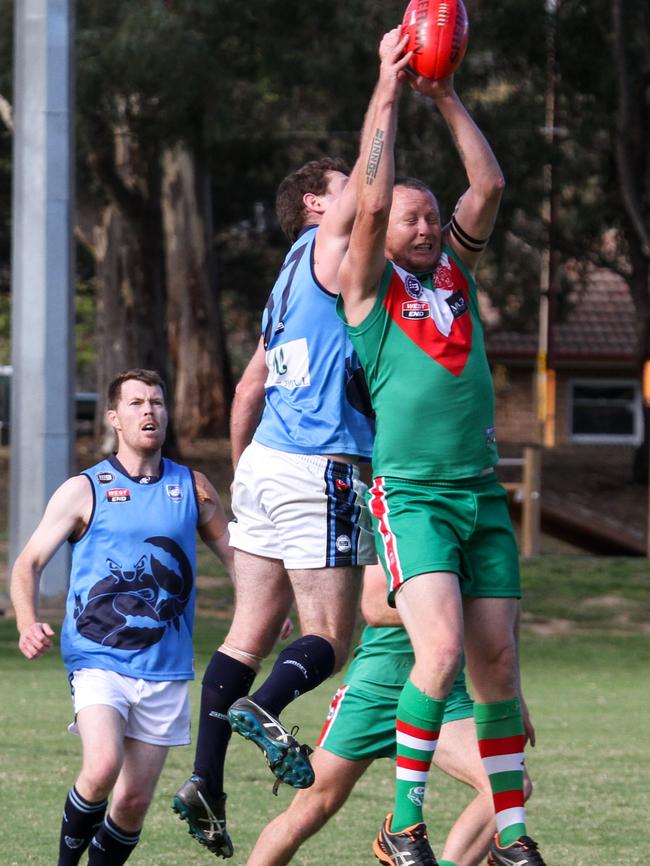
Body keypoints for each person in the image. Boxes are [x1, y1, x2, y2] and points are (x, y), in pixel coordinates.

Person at [171, 34, 414, 859]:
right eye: (339, 190)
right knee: (331, 637)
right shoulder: (327, 248)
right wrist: (388, 87)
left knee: (247, 631)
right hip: (322, 464)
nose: (354, 193)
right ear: (316, 204)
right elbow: (371, 182)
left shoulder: (285, 276)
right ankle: (267, 710)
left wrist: (245, 484)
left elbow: (247, 389)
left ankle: (204, 777)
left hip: (267, 464)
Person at [336, 29, 547, 866]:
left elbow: (488, 182)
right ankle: (403, 826)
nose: (425, 226)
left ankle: (518, 835)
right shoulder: (366, 288)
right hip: (414, 494)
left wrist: (445, 94)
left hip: (480, 491)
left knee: (496, 661)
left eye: (433, 216)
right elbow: (374, 201)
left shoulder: (454, 275)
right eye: (412, 217)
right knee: (445, 650)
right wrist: (387, 89)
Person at [10, 368, 234, 866]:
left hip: (166, 667)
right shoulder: (83, 489)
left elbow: (236, 555)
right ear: (114, 417)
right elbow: (27, 564)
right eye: (135, 403)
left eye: (156, 401)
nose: (149, 411)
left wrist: (264, 612)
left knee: (132, 804)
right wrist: (28, 621)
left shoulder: (192, 488)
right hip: (98, 659)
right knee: (103, 765)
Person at [244, 563, 533, 866]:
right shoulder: (408, 520)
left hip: (443, 698)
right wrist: (451, 610)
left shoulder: (485, 536)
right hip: (373, 693)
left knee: (510, 787)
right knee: (307, 812)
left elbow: (502, 623)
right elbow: (375, 607)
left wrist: (515, 698)